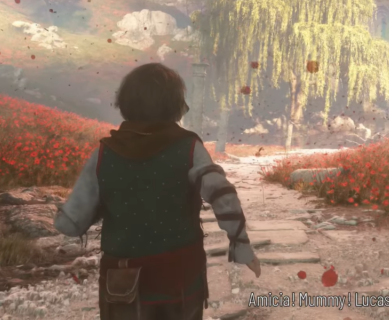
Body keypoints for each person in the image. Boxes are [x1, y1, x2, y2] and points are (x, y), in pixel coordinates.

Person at [54, 63, 261, 320]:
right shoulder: (189, 148)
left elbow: (70, 224)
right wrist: (241, 246)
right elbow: (222, 196)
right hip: (180, 273)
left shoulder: (103, 153)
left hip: (122, 277)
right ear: (174, 103)